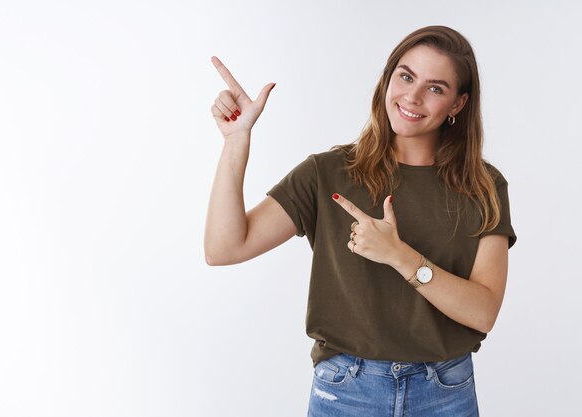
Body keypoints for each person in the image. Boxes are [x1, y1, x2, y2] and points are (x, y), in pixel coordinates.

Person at [205, 25, 516, 417]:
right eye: (406, 76)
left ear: (458, 104)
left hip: (444, 392)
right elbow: (223, 248)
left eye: (436, 88)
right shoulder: (327, 173)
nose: (413, 97)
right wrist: (236, 141)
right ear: (388, 78)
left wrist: (399, 255)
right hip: (347, 390)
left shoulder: (483, 186)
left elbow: (483, 311)